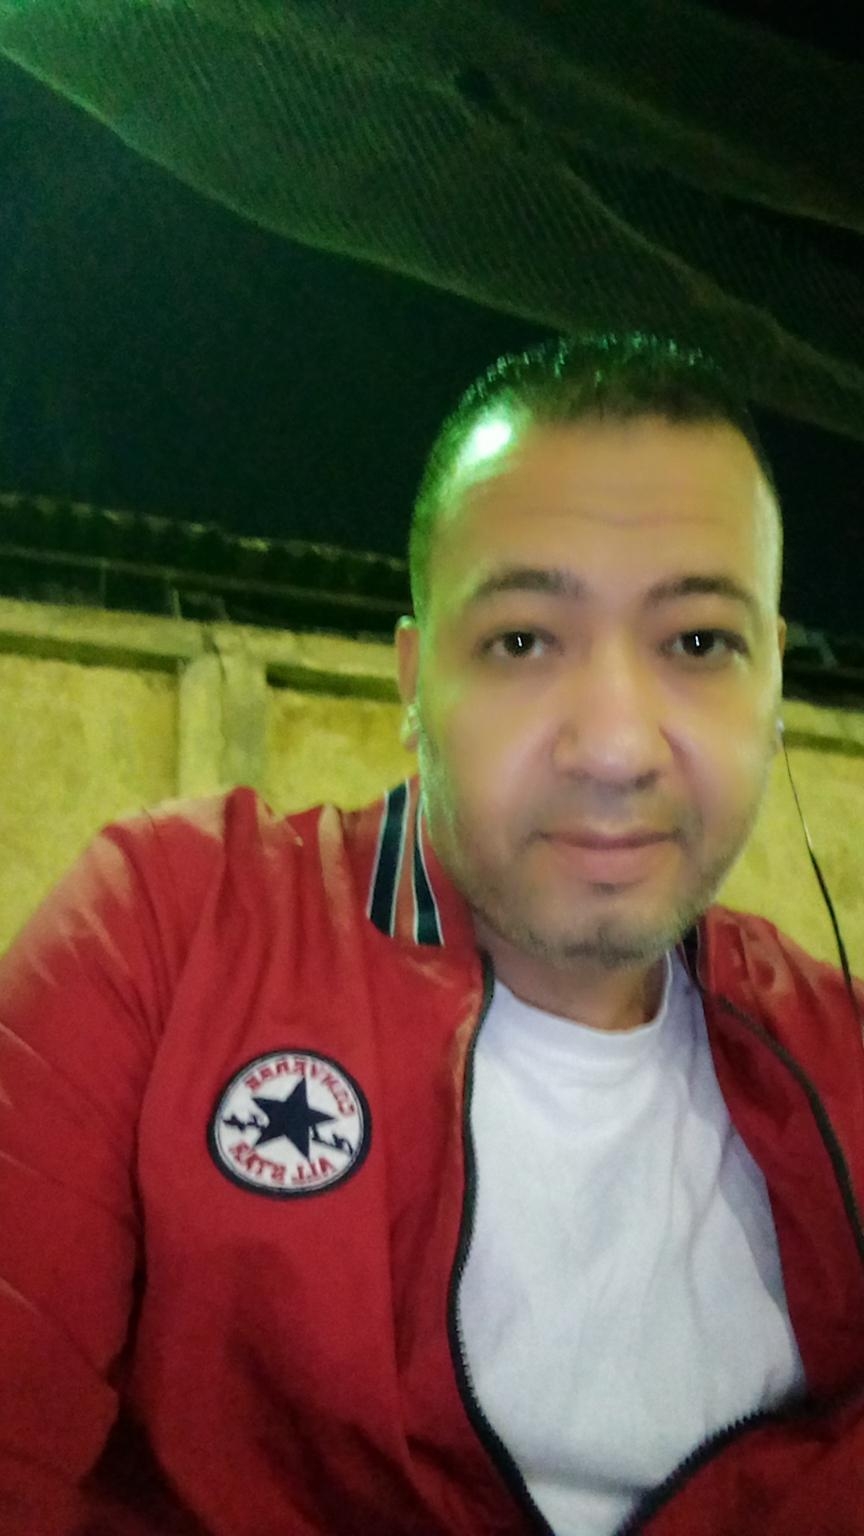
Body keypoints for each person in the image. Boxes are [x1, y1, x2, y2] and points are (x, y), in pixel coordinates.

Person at [1, 332, 863, 1536]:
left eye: (699, 644)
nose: (616, 748)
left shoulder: (841, 1058)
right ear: (414, 682)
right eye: (522, 640)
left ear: (774, 686)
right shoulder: (169, 935)